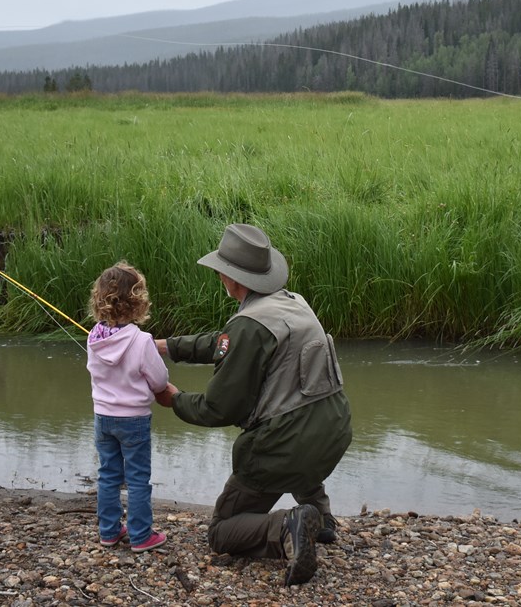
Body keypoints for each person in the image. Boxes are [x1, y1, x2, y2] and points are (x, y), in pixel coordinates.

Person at [155, 223, 352, 586]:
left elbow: (219, 409)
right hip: (335, 431)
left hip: (285, 448)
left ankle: (286, 528)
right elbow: (226, 342)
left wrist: (174, 400)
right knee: (302, 446)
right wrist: (168, 346)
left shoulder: (248, 324)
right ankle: (321, 522)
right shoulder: (294, 303)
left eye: (220, 271)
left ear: (231, 278)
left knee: (222, 532)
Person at [86, 261, 171, 553]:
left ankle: (108, 532)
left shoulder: (93, 338)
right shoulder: (142, 340)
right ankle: (140, 535)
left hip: (103, 418)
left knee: (108, 475)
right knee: (137, 478)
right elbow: (159, 380)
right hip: (133, 420)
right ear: (137, 303)